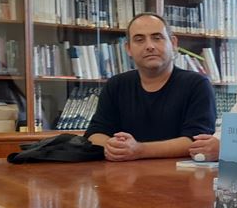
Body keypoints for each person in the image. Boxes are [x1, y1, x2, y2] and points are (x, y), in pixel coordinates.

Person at [84, 13, 216, 161]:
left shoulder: (197, 85)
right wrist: (113, 147)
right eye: (139, 40)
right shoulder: (116, 85)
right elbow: (95, 133)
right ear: (128, 49)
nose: (149, 46)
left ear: (173, 43)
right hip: (124, 178)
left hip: (179, 177)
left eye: (157, 38)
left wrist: (139, 150)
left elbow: (197, 142)